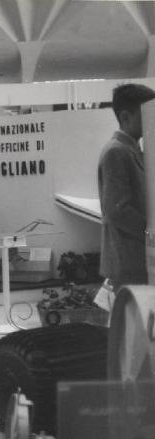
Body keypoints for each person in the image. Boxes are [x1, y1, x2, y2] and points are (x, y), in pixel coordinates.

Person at [98, 83, 155, 292]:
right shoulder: (117, 151)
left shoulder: (133, 150)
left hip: (133, 256)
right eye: (146, 114)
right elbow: (118, 210)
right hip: (127, 259)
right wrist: (150, 235)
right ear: (125, 117)